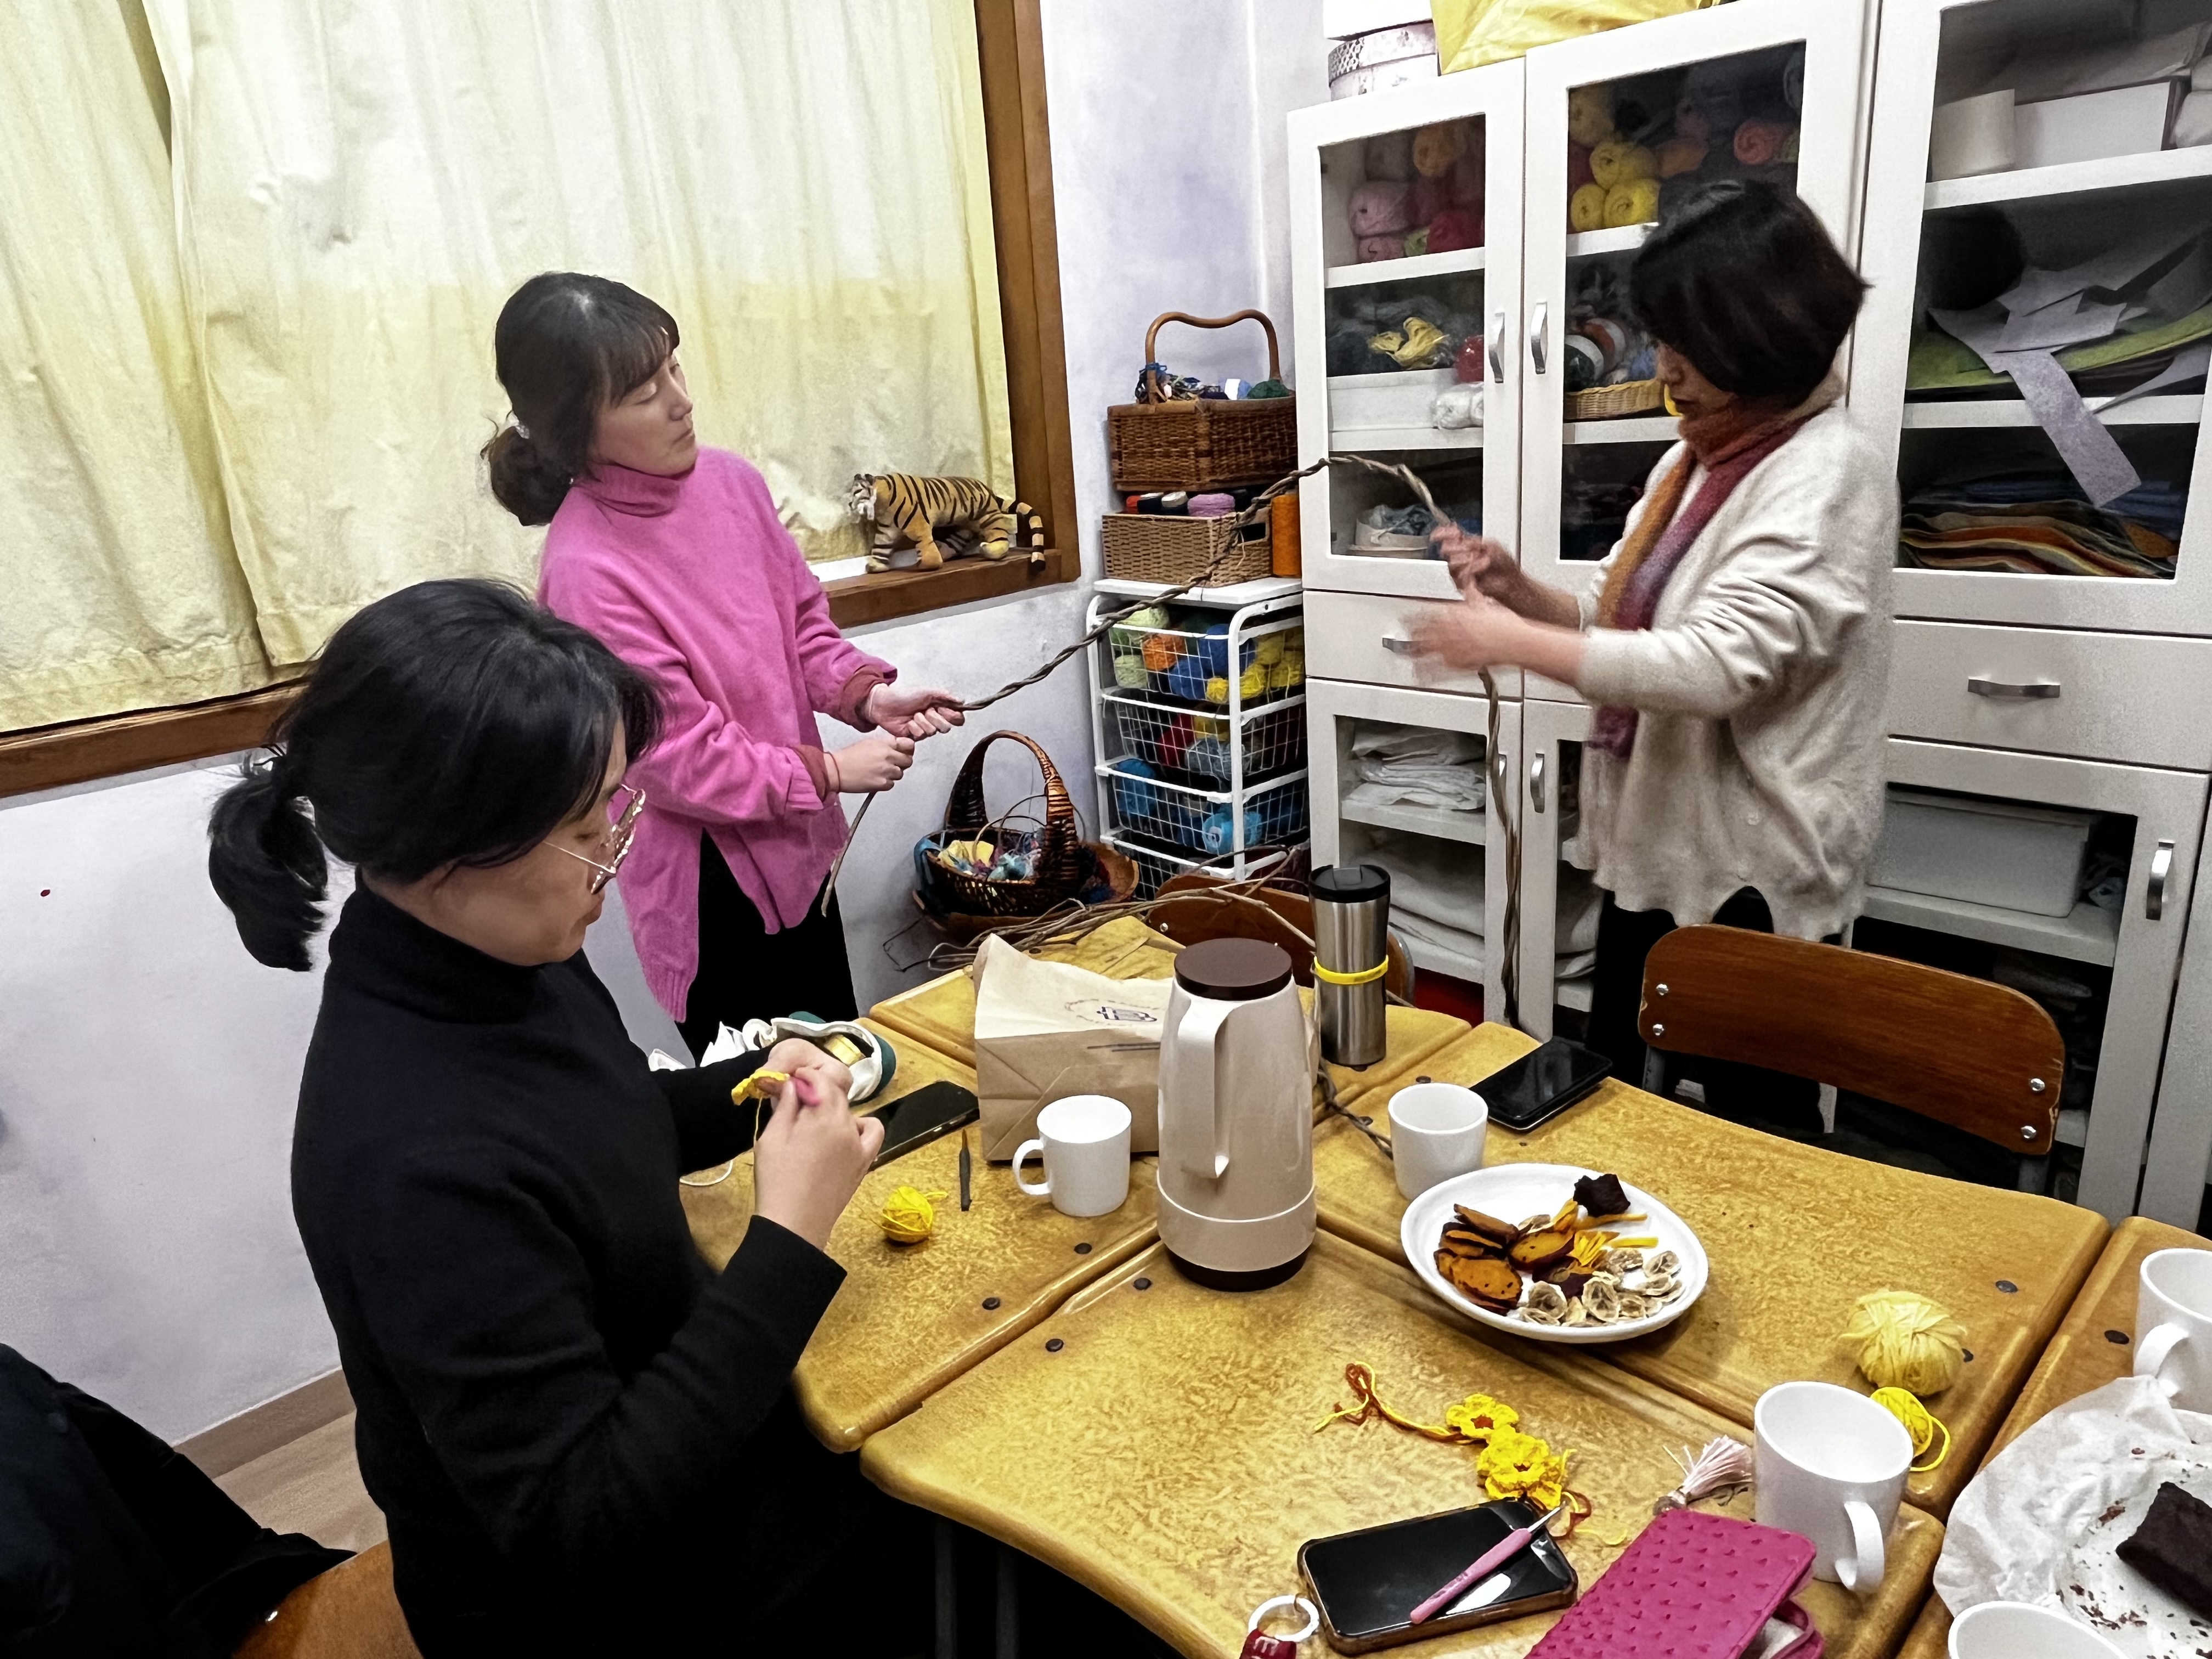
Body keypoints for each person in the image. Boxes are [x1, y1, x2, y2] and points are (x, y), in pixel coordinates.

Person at [206, 579, 911, 1653]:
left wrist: (755, 1082)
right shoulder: (413, 1164)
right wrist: (787, 1238)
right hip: (590, 1599)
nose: (615, 858)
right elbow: (579, 1523)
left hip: (682, 1465)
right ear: (449, 854)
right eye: (590, 831)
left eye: (618, 809)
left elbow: (601, 1125)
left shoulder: (501, 957)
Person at [1412, 180, 1894, 1134]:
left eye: (1687, 343)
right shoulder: (1701, 456)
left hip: (1753, 869)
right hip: (1660, 844)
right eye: (1664, 338)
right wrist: (1519, 591)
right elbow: (1620, 609)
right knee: (1615, 1090)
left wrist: (1510, 642)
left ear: (1763, 338)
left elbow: (1715, 666)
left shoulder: (1829, 471)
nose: (1665, 366)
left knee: (1760, 1133)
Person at [484, 270, 966, 1058]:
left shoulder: (733, 483)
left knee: (843, 1067)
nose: (681, 401)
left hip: (798, 845)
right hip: (711, 897)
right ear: (575, 431)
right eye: (644, 393)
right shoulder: (584, 569)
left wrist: (864, 696)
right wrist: (831, 772)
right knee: (762, 1100)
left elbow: (801, 624)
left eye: (674, 368)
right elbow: (676, 757)